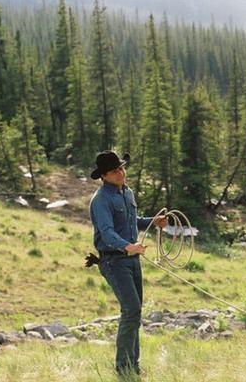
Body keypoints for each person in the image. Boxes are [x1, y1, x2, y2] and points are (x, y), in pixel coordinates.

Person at [88, 150, 167, 376]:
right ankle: (124, 369)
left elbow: (134, 222)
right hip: (113, 261)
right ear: (104, 176)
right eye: (115, 171)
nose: (121, 173)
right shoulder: (101, 200)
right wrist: (128, 246)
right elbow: (107, 233)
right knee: (131, 310)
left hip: (131, 261)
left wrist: (153, 221)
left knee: (135, 311)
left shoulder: (127, 193)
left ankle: (133, 366)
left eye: (122, 168)